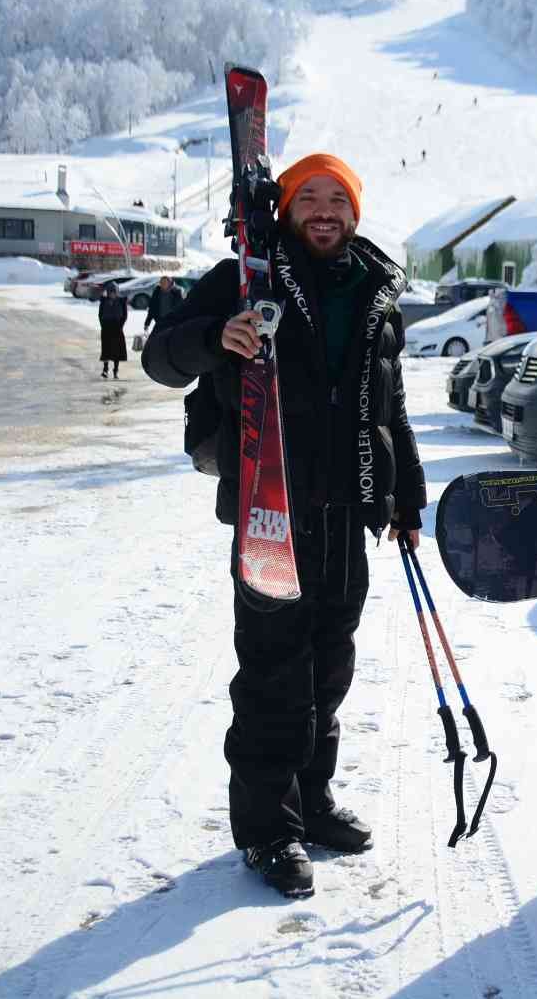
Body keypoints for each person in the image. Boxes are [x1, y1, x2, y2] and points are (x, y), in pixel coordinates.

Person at [142, 152, 426, 899]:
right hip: (272, 517)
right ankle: (269, 827)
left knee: (328, 671)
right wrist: (216, 340)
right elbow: (158, 357)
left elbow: (389, 405)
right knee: (274, 680)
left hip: (344, 520)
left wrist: (406, 494)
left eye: (339, 198)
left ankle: (312, 800)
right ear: (288, 207)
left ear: (354, 212)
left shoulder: (376, 290)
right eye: (311, 197)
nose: (325, 210)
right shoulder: (246, 279)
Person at [98, 282, 129, 378]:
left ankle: (115, 371)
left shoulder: (121, 301)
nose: (112, 294)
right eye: (110, 292)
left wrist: (120, 325)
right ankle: (105, 370)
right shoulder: (104, 301)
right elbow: (100, 314)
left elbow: (124, 315)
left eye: (114, 292)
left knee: (117, 350)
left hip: (117, 328)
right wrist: (103, 325)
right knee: (106, 350)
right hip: (106, 327)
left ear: (117, 292)